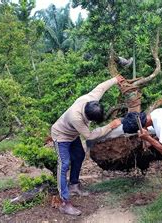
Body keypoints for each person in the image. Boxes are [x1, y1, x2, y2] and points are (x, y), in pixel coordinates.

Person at [51, 76, 124, 215]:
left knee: (79, 156)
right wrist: (110, 126)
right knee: (64, 164)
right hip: (61, 136)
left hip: (72, 135)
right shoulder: (76, 117)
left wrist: (115, 80)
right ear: (87, 116)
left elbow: (101, 88)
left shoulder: (91, 100)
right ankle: (64, 202)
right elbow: (90, 136)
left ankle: (74, 185)